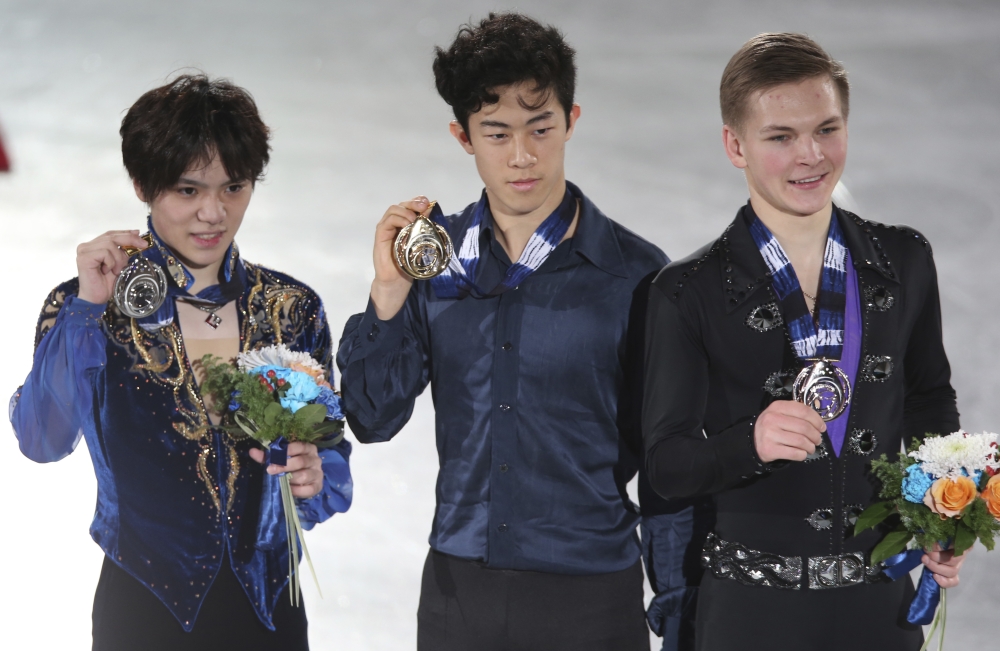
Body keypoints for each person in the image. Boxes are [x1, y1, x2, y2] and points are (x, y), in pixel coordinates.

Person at [337, 12, 703, 651]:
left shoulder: (638, 276)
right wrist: (389, 290)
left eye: (541, 128)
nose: (523, 156)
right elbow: (371, 418)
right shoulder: (433, 261)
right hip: (457, 597)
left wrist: (678, 614)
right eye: (497, 133)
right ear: (463, 136)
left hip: (592, 598)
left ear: (572, 120)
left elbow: (667, 466)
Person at [642, 33, 967, 650]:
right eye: (781, 137)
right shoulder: (685, 291)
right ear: (735, 145)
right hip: (750, 616)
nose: (810, 156)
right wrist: (750, 442)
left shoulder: (905, 260)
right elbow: (665, 465)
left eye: (827, 128)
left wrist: (936, 517)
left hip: (881, 611)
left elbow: (929, 402)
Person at [10, 74, 352, 650]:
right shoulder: (90, 310)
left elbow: (328, 464)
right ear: (144, 185)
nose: (213, 213)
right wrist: (87, 312)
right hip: (142, 610)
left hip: (268, 613)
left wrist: (314, 478)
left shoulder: (291, 310)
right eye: (188, 191)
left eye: (233, 188)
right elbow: (41, 439)